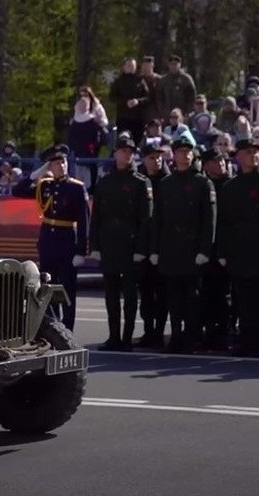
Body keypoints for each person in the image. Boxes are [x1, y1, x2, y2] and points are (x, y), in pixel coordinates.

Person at [216, 138, 259, 356]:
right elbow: (224, 223)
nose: (253, 155)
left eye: (256, 152)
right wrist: (222, 252)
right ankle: (246, 339)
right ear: (238, 156)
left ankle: (257, 340)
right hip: (239, 251)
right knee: (243, 298)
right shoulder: (231, 187)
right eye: (248, 152)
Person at [150, 135, 215, 353]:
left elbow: (209, 219)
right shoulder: (167, 183)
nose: (184, 155)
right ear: (174, 155)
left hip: (192, 247)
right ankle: (176, 336)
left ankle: (191, 337)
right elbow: (157, 219)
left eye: (188, 152)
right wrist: (155, 249)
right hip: (170, 248)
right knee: (173, 298)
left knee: (193, 298)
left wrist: (205, 249)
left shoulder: (202, 183)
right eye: (180, 152)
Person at [89, 134, 152, 351]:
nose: (127, 155)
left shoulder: (140, 183)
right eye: (123, 151)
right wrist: (94, 246)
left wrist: (141, 249)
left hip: (130, 244)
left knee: (131, 295)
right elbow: (96, 217)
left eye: (131, 152)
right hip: (109, 243)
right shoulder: (105, 182)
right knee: (111, 294)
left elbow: (146, 220)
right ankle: (113, 336)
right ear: (115, 153)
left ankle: (127, 337)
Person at [34, 144, 90, 331]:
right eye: (56, 163)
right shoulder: (45, 185)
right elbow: (20, 188)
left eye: (63, 162)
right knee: (47, 287)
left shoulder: (76, 188)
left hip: (67, 243)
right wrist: (40, 171)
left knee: (67, 289)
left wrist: (81, 250)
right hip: (48, 243)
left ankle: (67, 328)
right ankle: (52, 326)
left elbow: (84, 221)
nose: (61, 166)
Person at [136, 139, 170, 348]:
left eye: (159, 156)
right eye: (152, 157)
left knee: (163, 292)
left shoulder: (168, 181)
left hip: (165, 244)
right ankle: (149, 330)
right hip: (144, 244)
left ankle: (159, 331)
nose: (156, 160)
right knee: (146, 291)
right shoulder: (140, 180)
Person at [199, 148, 233, 351]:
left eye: (222, 160)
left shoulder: (232, 185)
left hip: (227, 247)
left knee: (225, 295)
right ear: (206, 165)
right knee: (207, 293)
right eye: (215, 161)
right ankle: (209, 332)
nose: (220, 163)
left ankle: (224, 333)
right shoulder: (204, 185)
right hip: (207, 247)